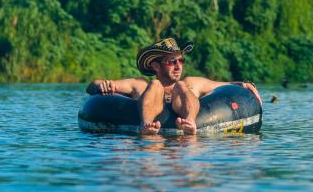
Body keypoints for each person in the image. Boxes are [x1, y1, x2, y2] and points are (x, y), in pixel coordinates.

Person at [86, 37, 262, 135]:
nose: (179, 66)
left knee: (182, 86)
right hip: (150, 133)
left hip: (187, 132)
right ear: (156, 66)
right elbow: (92, 86)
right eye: (171, 62)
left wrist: (243, 84)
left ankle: (190, 123)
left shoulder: (191, 83)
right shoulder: (140, 85)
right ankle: (146, 125)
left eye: (181, 60)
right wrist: (102, 85)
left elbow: (223, 87)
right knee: (155, 85)